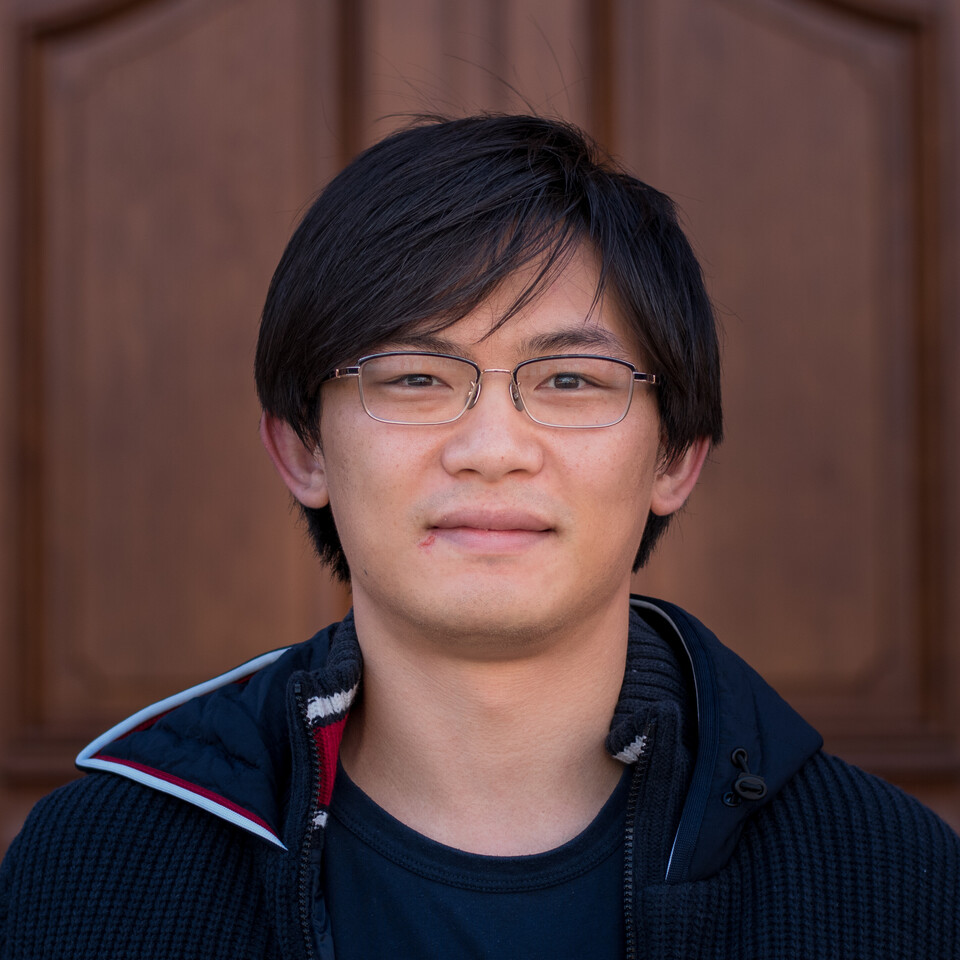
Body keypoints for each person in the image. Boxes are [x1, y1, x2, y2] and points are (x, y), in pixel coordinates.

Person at [1, 114, 957, 959]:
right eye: (414, 377)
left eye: (571, 382)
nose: (492, 449)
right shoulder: (100, 865)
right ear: (303, 451)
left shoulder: (891, 880)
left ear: (676, 458)